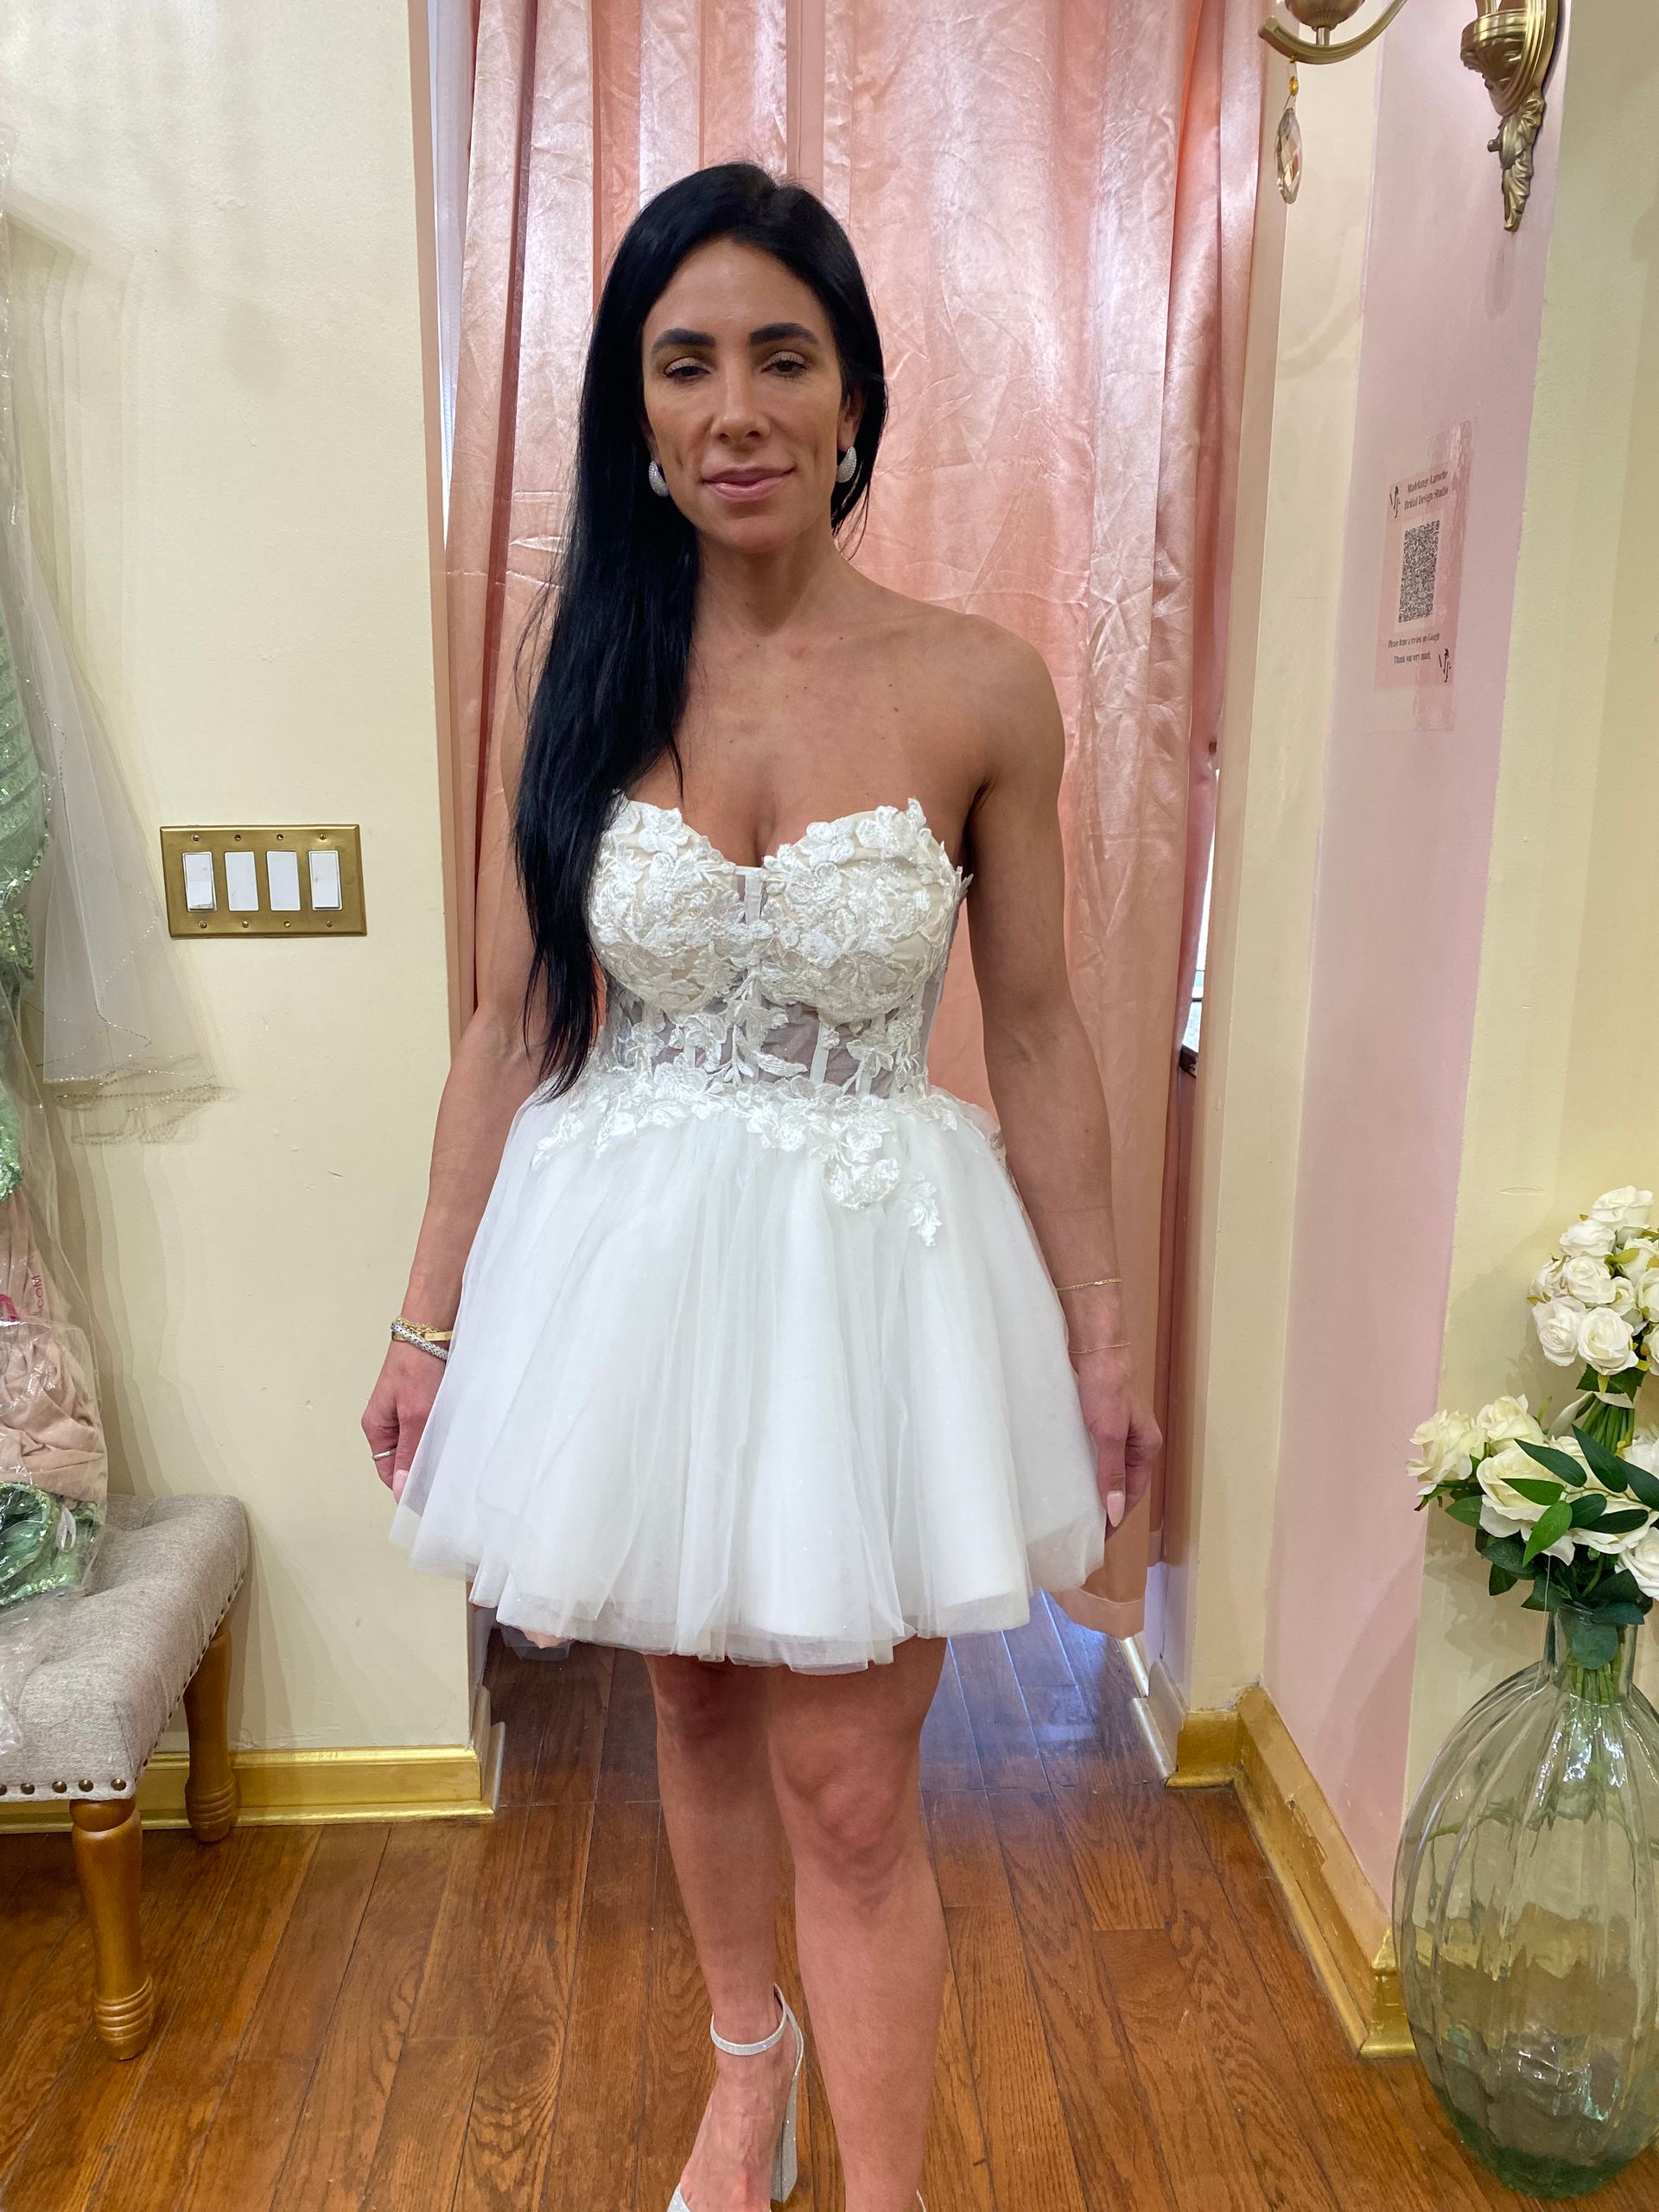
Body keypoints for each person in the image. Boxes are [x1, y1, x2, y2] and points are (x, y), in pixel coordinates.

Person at [365, 161, 1158, 2212]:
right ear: (636, 410)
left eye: (782, 358)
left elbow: (1043, 1029)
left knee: (852, 1787)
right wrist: (427, 1316)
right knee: (697, 1703)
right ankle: (748, 2067)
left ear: (854, 396)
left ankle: (883, 2186)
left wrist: (1104, 1327)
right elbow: (505, 1020)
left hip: (871, 1276)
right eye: (686, 361)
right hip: (627, 1263)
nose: (735, 408)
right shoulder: (582, 669)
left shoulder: (981, 684)